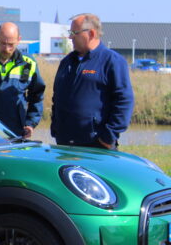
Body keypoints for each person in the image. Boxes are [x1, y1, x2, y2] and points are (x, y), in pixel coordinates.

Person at [51, 13, 134, 149]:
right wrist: (56, 128)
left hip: (96, 145)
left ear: (91, 33)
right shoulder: (67, 63)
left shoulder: (111, 61)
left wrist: (108, 137)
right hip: (65, 144)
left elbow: (124, 101)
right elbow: (57, 98)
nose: (70, 37)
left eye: (74, 33)